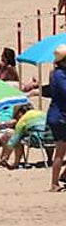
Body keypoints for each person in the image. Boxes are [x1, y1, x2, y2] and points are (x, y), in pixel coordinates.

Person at [47, 44, 66, 191]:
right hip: (60, 117)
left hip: (59, 116)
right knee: (60, 150)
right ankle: (54, 183)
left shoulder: (59, 73)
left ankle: (63, 176)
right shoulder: (59, 74)